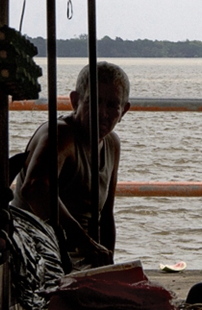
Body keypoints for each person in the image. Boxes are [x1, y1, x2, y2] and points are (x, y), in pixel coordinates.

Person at [12, 61, 130, 271]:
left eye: (112, 105)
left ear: (124, 111)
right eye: (94, 102)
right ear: (75, 101)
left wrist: (106, 267)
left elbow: (106, 215)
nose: (103, 113)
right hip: (37, 257)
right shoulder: (60, 135)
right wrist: (82, 241)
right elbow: (34, 188)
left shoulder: (112, 143)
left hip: (81, 262)